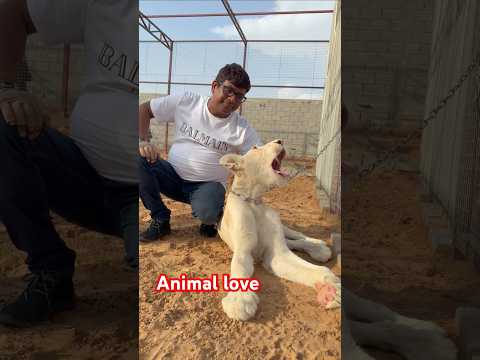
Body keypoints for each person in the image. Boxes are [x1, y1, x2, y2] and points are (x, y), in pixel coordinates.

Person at [0, 0, 138, 327]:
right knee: (3, 126)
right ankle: (52, 270)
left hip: (140, 198)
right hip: (79, 173)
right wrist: (6, 88)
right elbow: (13, 9)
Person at [139, 63, 262, 241]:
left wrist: (275, 154)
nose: (232, 99)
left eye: (240, 96)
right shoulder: (187, 101)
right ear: (214, 87)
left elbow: (260, 155)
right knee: (137, 158)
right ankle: (160, 218)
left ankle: (209, 218)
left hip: (206, 186)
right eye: (229, 91)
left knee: (209, 212)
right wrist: (143, 141)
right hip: (171, 177)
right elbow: (145, 109)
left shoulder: (241, 128)